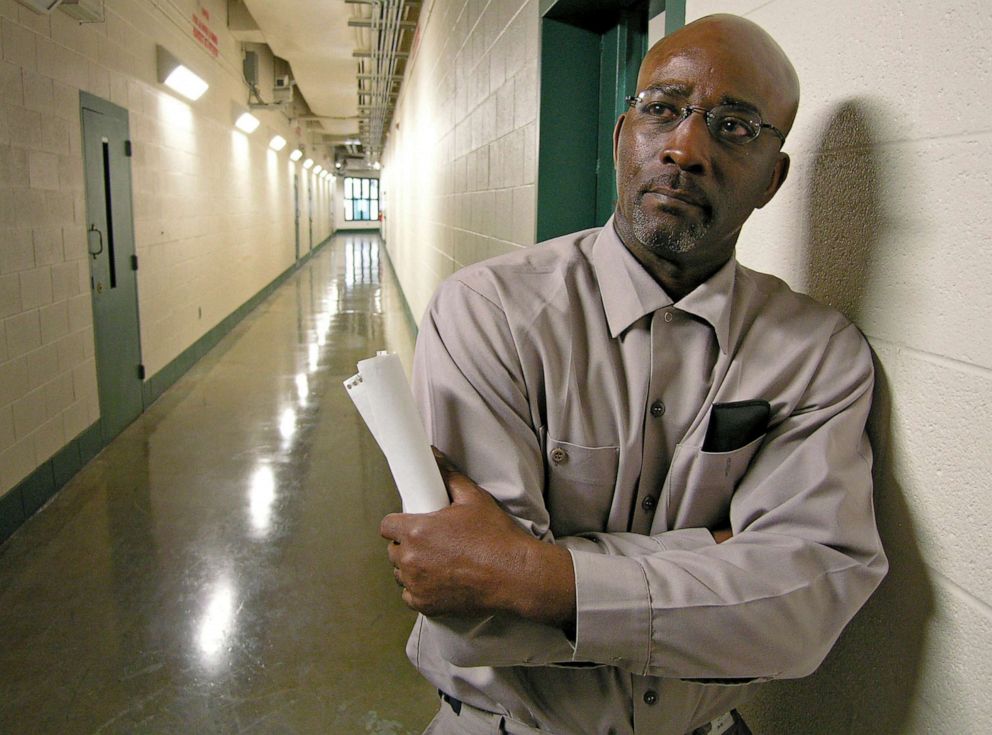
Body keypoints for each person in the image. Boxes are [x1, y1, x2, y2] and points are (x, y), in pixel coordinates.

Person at [380, 13, 887, 735]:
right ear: (623, 139)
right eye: (662, 109)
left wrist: (538, 574)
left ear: (773, 179)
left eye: (735, 125)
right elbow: (473, 611)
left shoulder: (819, 352)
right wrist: (721, 565)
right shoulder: (489, 311)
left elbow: (805, 609)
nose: (686, 147)